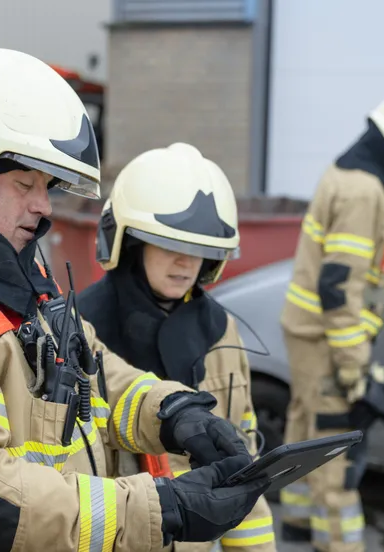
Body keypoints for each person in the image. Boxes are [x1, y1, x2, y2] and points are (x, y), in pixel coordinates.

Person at [0, 48, 268, 552]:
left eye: (46, 186)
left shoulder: (4, 267)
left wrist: (171, 412)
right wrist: (161, 508)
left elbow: (91, 372)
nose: (43, 207)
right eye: (25, 184)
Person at [77, 143, 277, 552]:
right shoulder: (78, 329)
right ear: (131, 242)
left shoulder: (220, 332)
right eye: (171, 246)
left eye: (199, 250)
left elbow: (244, 470)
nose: (186, 263)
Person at [278, 91, 384, 552]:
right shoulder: (363, 192)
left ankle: (296, 523)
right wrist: (353, 366)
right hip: (328, 338)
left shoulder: (347, 172)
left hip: (306, 330)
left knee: (303, 424)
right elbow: (339, 287)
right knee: (334, 447)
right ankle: (339, 544)